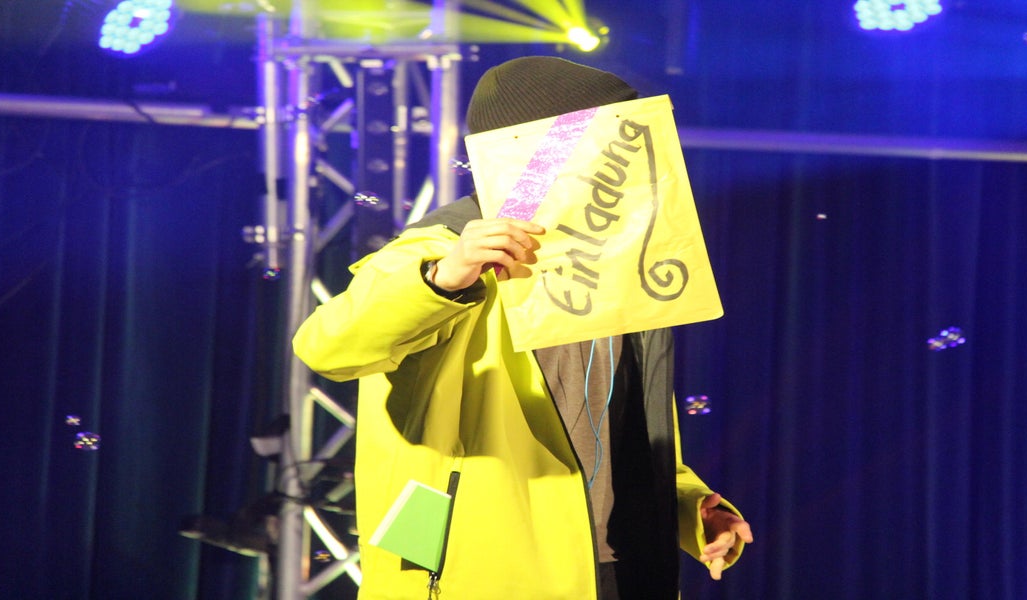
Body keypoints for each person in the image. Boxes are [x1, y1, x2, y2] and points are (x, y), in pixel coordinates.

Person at [292, 55, 752, 600]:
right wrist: (443, 278)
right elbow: (326, 347)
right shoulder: (442, 249)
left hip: (617, 570)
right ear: (547, 148)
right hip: (482, 575)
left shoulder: (622, 264)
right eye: (615, 135)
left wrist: (691, 511)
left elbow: (622, 432)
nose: (628, 154)